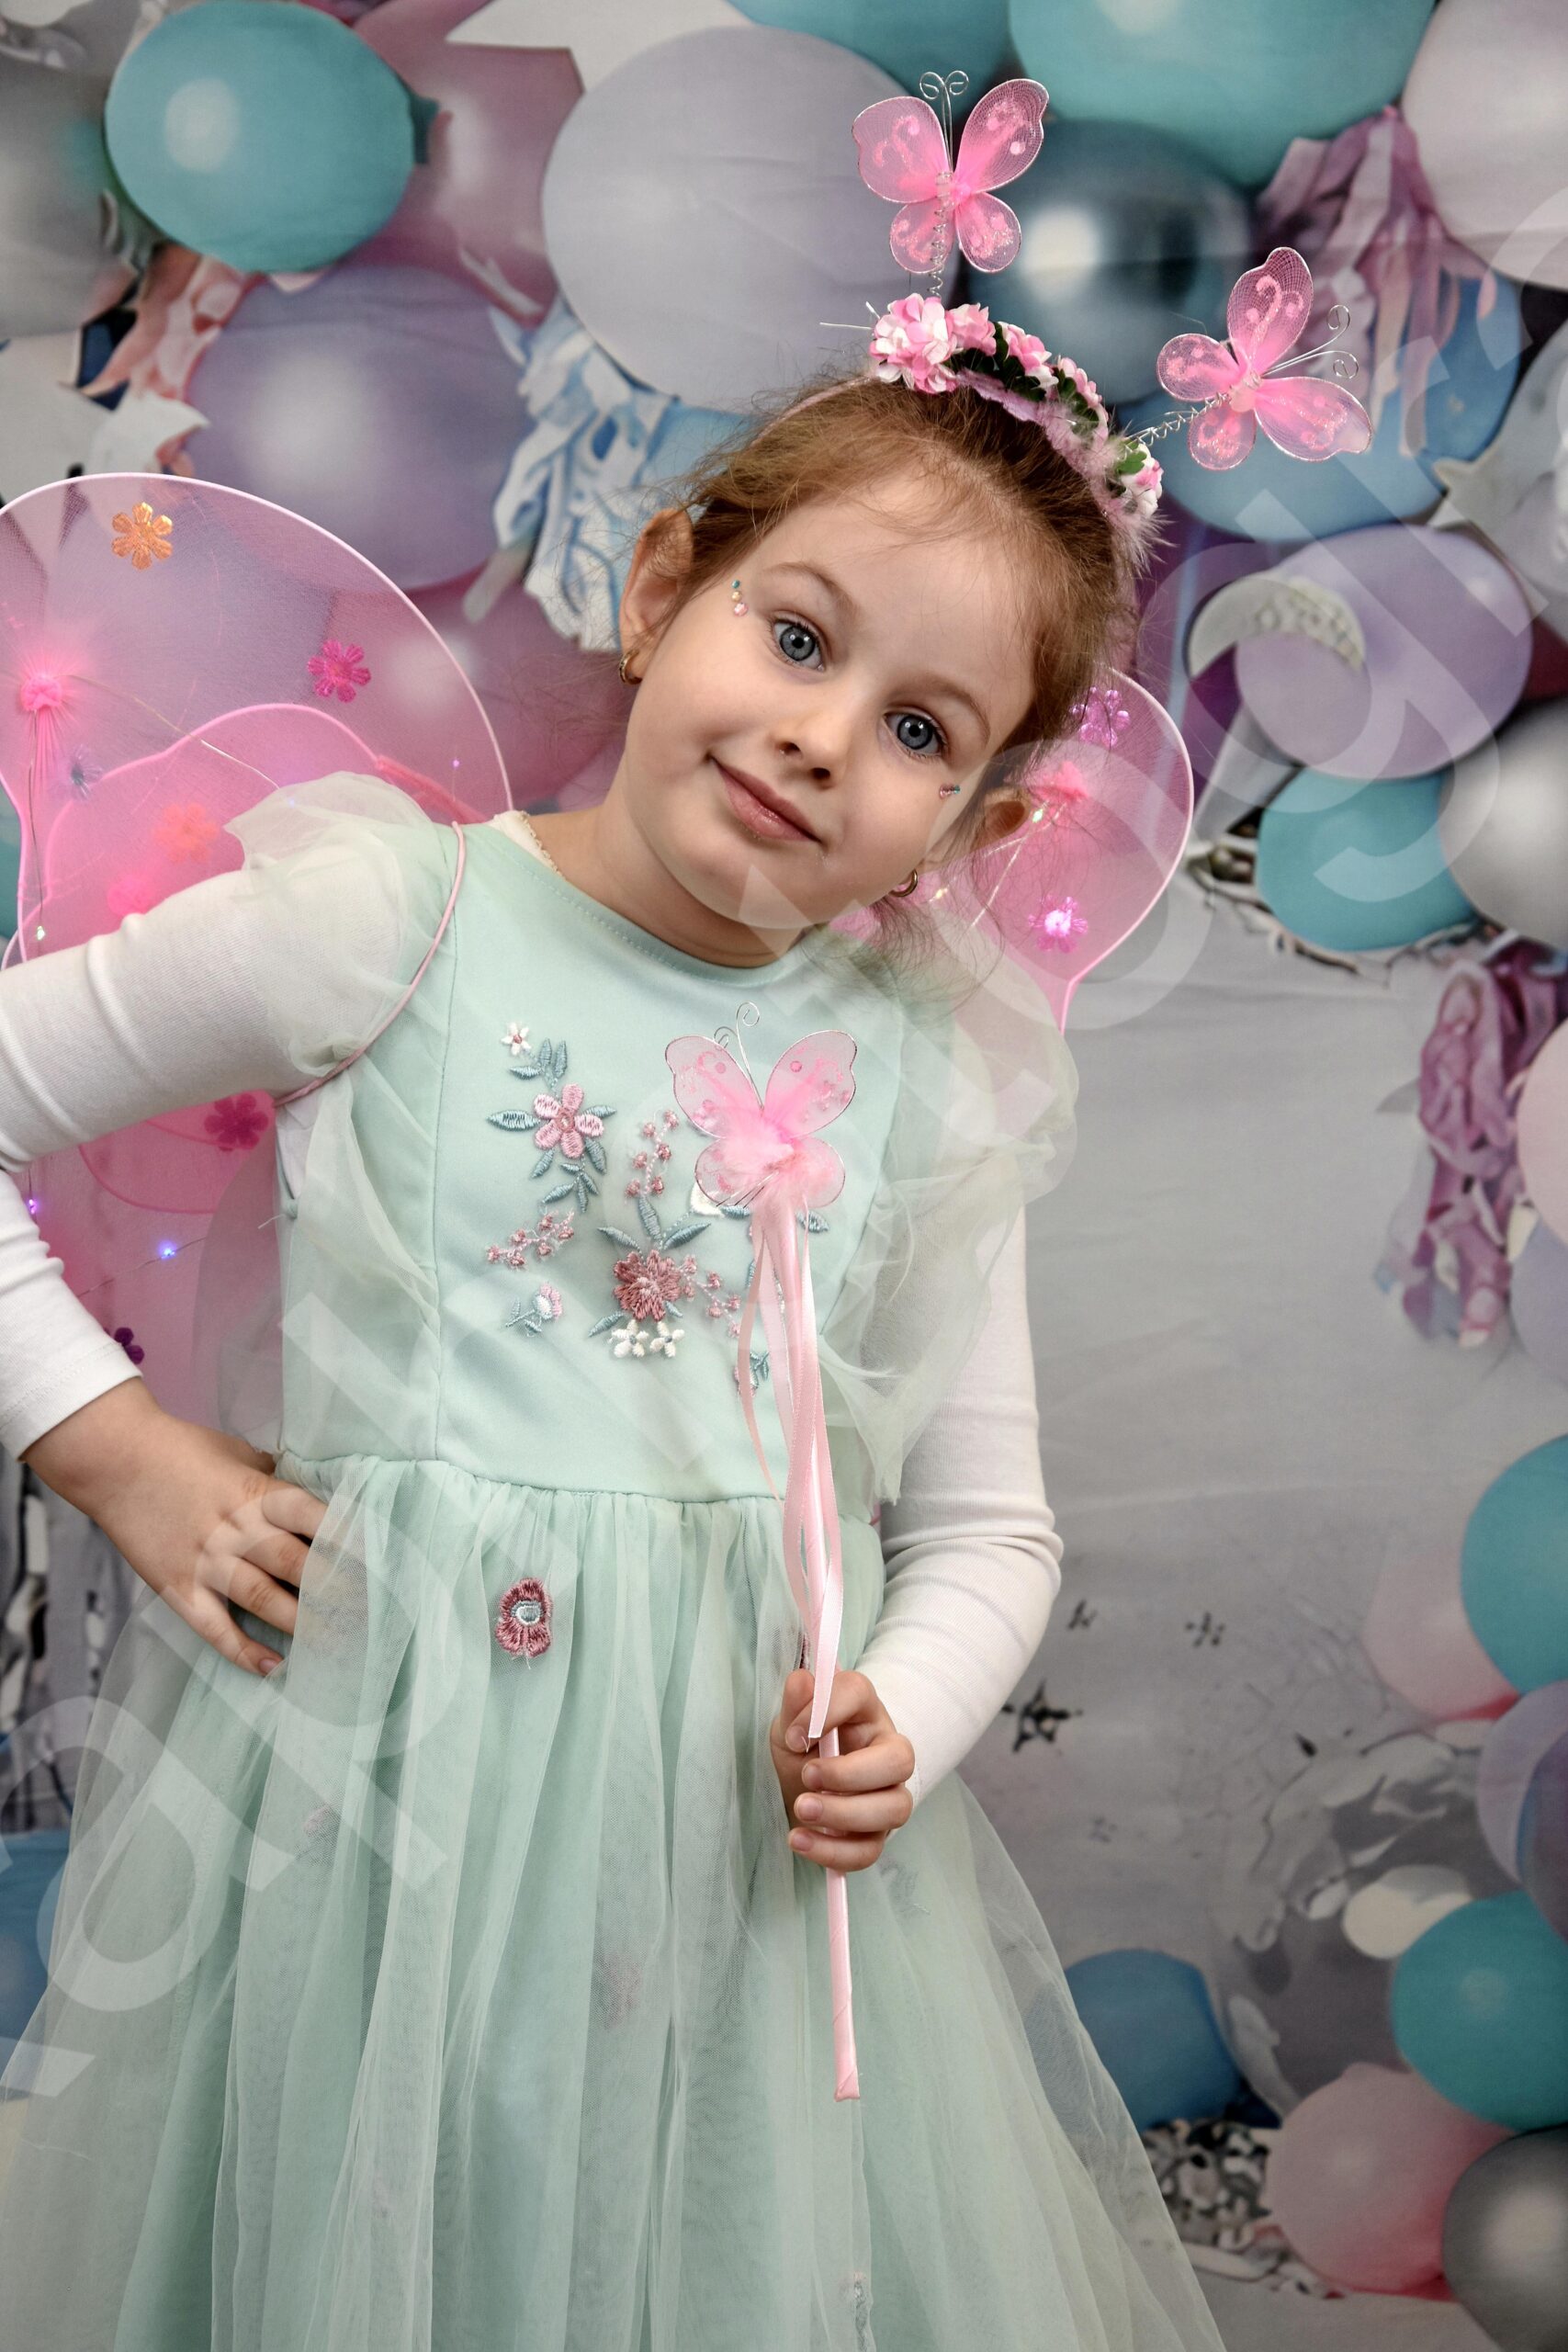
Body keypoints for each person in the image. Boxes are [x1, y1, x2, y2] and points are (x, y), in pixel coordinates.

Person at [0, 303, 1225, 2349]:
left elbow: (988, 1527)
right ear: (664, 585)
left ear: (980, 826)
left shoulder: (929, 1074)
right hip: (360, 1832)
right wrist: (107, 1441)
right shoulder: (388, 921)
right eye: (800, 636)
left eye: (923, 733)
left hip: (725, 1879)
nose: (825, 736)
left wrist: (904, 1716)